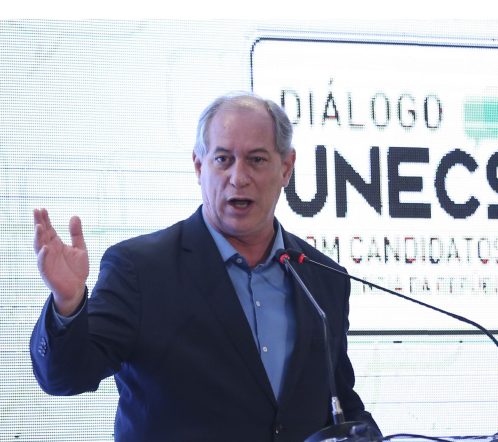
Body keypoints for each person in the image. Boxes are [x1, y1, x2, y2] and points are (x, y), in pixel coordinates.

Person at [30, 92, 380, 441]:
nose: (238, 177)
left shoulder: (322, 278)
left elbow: (339, 402)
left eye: (257, 160)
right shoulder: (141, 269)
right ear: (199, 166)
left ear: (286, 168)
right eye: (223, 159)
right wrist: (68, 304)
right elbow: (66, 376)